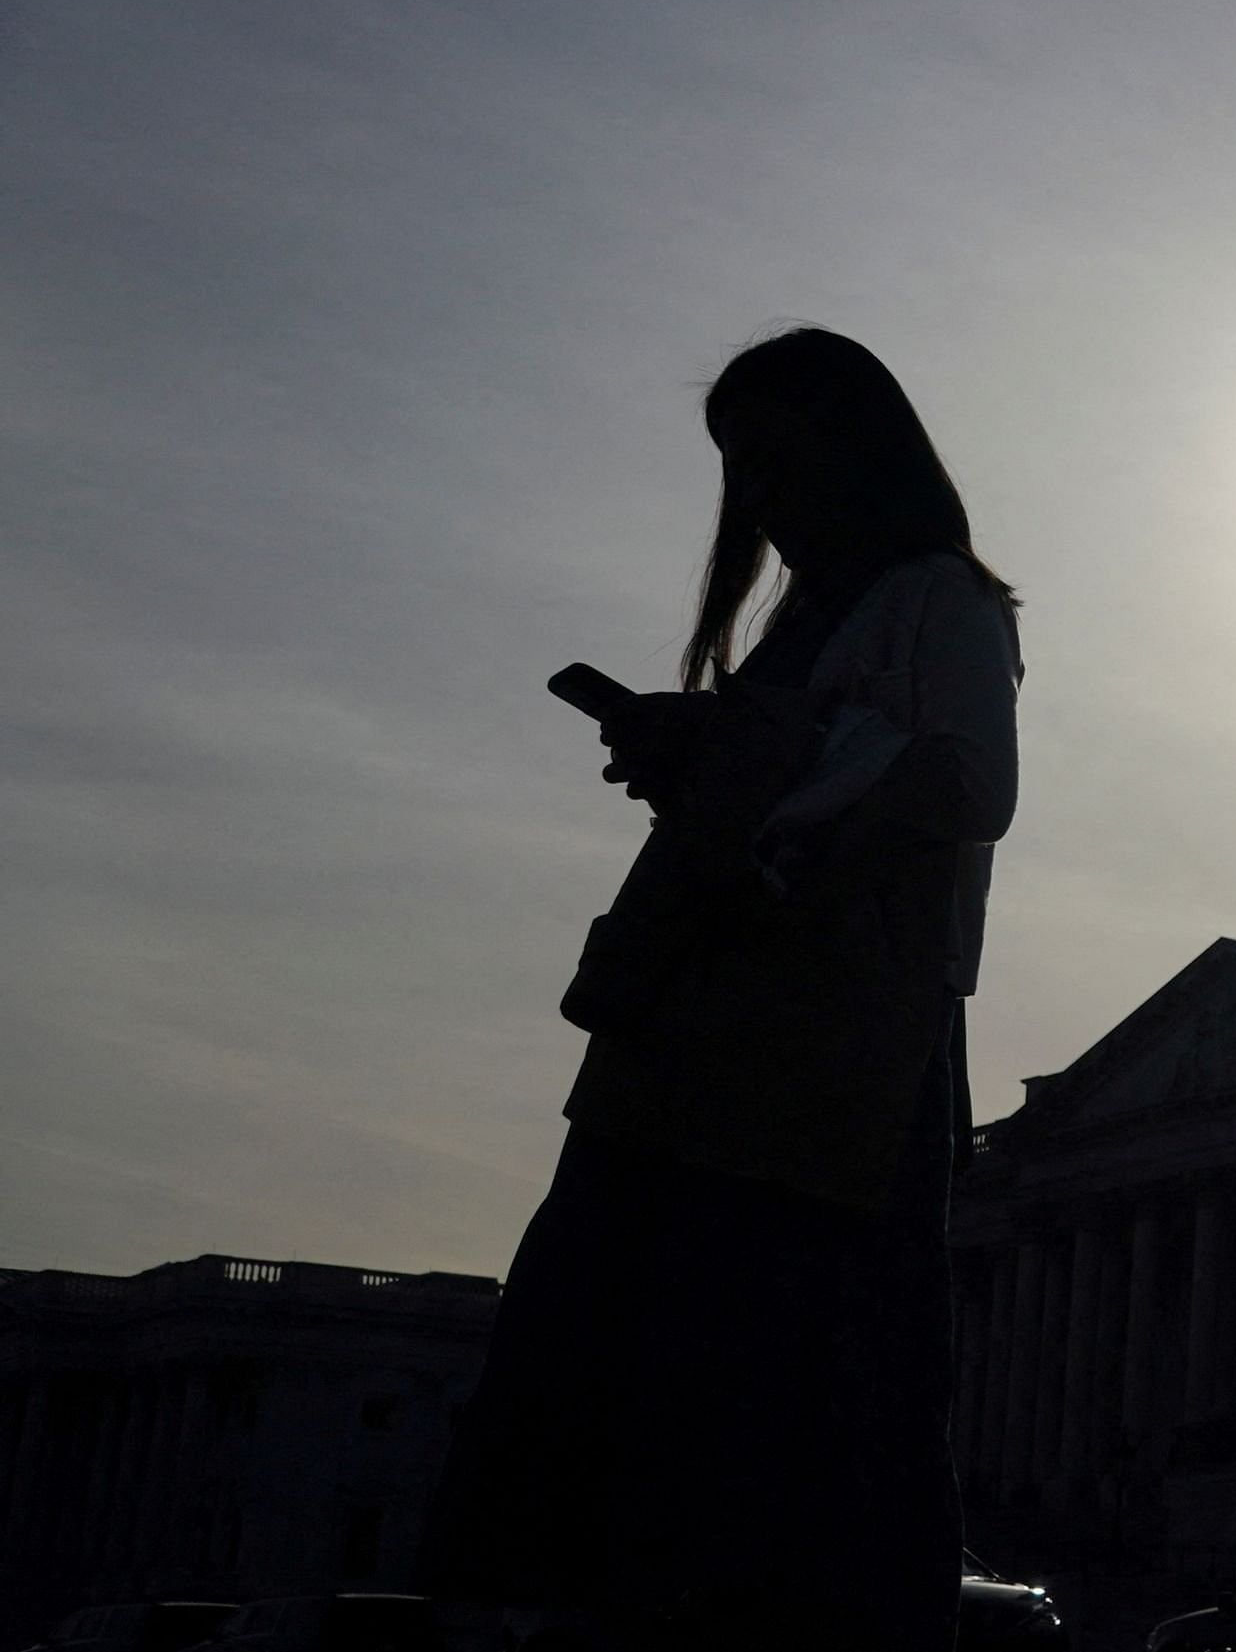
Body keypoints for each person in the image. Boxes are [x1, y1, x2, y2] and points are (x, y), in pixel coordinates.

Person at [434, 327, 1022, 1652]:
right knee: (654, 1408)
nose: (752, 495)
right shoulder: (804, 624)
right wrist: (690, 752)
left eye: (772, 456)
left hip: (823, 1066)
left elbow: (969, 781)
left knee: (791, 1409)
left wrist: (755, 755)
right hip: (703, 1049)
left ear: (855, 447)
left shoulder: (937, 598)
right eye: (732, 468)